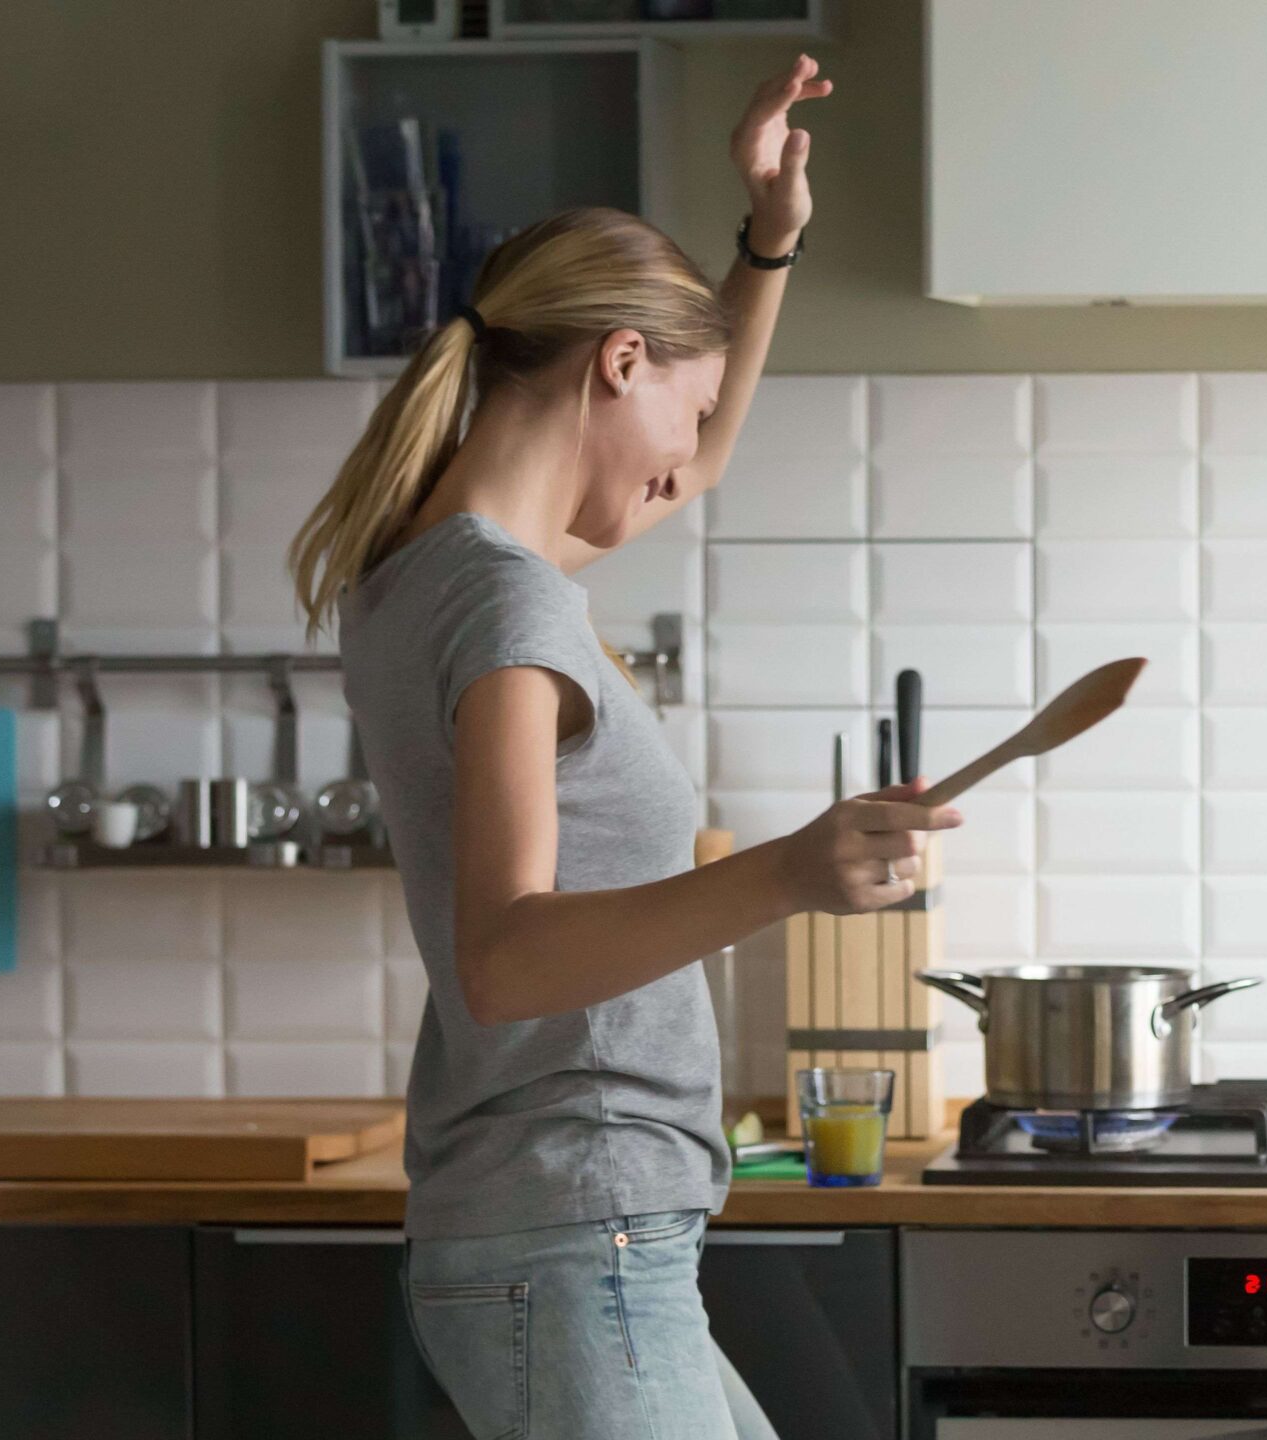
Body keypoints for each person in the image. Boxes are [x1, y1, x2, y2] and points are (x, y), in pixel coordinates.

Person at [289, 57, 956, 1439]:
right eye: (685, 411)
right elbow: (509, 952)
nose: (692, 460)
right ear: (619, 361)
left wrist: (769, 240)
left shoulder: (414, 570)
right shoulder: (506, 600)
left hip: (575, 1229)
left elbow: (685, 466)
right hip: (569, 1229)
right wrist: (790, 871)